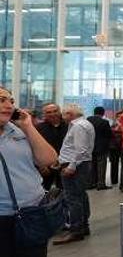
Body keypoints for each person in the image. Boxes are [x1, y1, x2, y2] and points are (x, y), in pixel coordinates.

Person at [0, 87, 58, 257]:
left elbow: (49, 160)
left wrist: (28, 127)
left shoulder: (19, 131)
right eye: (2, 100)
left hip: (30, 218)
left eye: (11, 101)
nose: (8, 105)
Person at [53, 104, 95, 245]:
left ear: (70, 114)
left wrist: (71, 166)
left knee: (73, 198)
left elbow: (80, 149)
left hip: (76, 166)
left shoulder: (78, 126)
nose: (62, 117)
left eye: (63, 114)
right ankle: (83, 226)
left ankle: (76, 230)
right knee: (80, 195)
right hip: (80, 164)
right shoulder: (85, 124)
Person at [35, 102, 67, 191]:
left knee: (65, 194)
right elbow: (34, 147)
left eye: (55, 111)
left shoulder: (69, 126)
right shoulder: (38, 128)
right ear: (44, 114)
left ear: (60, 111)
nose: (52, 114)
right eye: (49, 112)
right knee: (43, 193)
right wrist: (41, 166)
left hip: (65, 166)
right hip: (46, 167)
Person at [87, 106, 113, 190]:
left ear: (94, 112)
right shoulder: (104, 122)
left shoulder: (88, 120)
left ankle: (91, 183)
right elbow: (109, 134)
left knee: (91, 165)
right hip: (101, 147)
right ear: (103, 113)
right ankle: (101, 184)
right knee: (101, 166)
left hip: (90, 147)